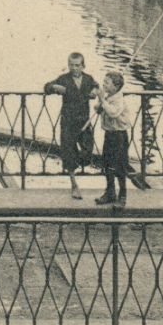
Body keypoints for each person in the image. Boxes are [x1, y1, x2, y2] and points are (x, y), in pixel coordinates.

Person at [45, 52, 100, 201]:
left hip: (84, 122)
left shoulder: (88, 79)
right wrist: (55, 87)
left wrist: (95, 90)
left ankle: (80, 162)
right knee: (69, 152)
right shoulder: (64, 79)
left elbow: (96, 85)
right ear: (68, 65)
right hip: (68, 122)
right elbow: (47, 87)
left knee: (88, 150)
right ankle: (73, 184)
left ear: (83, 66)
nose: (74, 68)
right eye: (71, 65)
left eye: (77, 65)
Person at [96, 71, 132, 208]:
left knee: (119, 165)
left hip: (119, 136)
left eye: (106, 82)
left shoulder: (119, 99)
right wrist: (100, 102)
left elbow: (113, 112)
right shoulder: (108, 96)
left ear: (116, 86)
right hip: (109, 134)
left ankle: (122, 195)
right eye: (104, 81)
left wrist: (103, 101)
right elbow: (98, 109)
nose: (103, 84)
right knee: (107, 163)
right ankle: (110, 192)